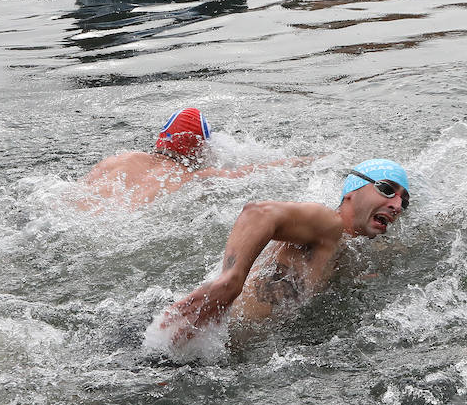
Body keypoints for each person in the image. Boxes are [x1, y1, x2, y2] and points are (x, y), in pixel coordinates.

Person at [152, 159, 410, 346]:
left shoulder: (353, 251)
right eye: (387, 190)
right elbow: (259, 213)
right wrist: (231, 279)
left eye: (403, 200)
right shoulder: (328, 225)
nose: (397, 205)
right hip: (192, 337)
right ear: (352, 191)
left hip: (223, 350)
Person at [76, 108, 313, 211]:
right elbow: (261, 170)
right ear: (198, 150)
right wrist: (314, 160)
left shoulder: (117, 159)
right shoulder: (195, 176)